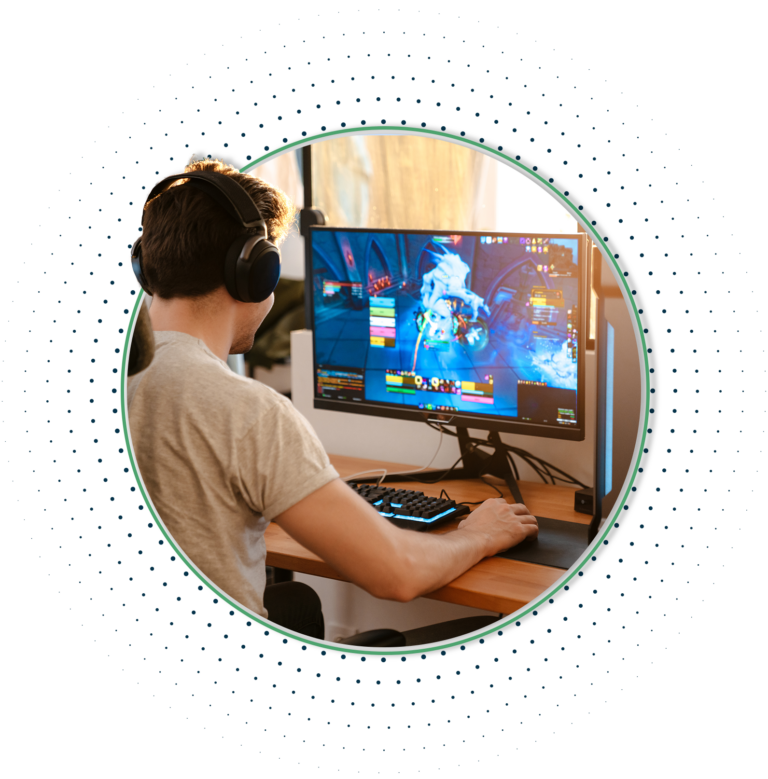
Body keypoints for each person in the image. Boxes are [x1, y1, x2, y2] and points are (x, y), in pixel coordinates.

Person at [126, 155, 538, 642]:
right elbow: (398, 573)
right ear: (256, 273)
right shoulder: (246, 413)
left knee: (297, 601)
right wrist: (479, 534)